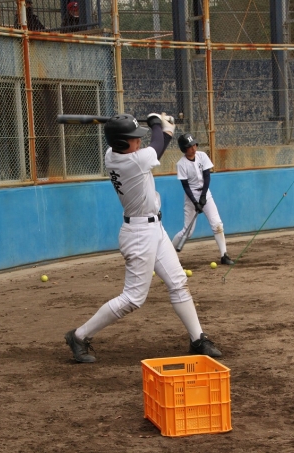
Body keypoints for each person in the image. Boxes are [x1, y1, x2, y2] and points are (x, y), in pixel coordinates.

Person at [64, 113, 222, 363]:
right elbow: (159, 143)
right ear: (121, 143)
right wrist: (158, 123)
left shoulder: (112, 154)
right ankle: (79, 336)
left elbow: (157, 141)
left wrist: (158, 125)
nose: (139, 142)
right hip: (139, 235)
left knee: (178, 282)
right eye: (134, 138)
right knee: (133, 298)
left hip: (153, 229)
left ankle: (197, 339)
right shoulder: (134, 161)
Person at [171, 133, 234, 265]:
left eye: (194, 145)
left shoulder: (202, 156)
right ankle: (168, 255)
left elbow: (207, 177)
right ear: (184, 149)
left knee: (217, 224)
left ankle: (224, 255)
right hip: (191, 197)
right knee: (187, 232)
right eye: (189, 146)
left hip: (205, 194)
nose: (193, 148)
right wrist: (195, 203)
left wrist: (204, 196)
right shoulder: (181, 164)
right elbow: (186, 186)